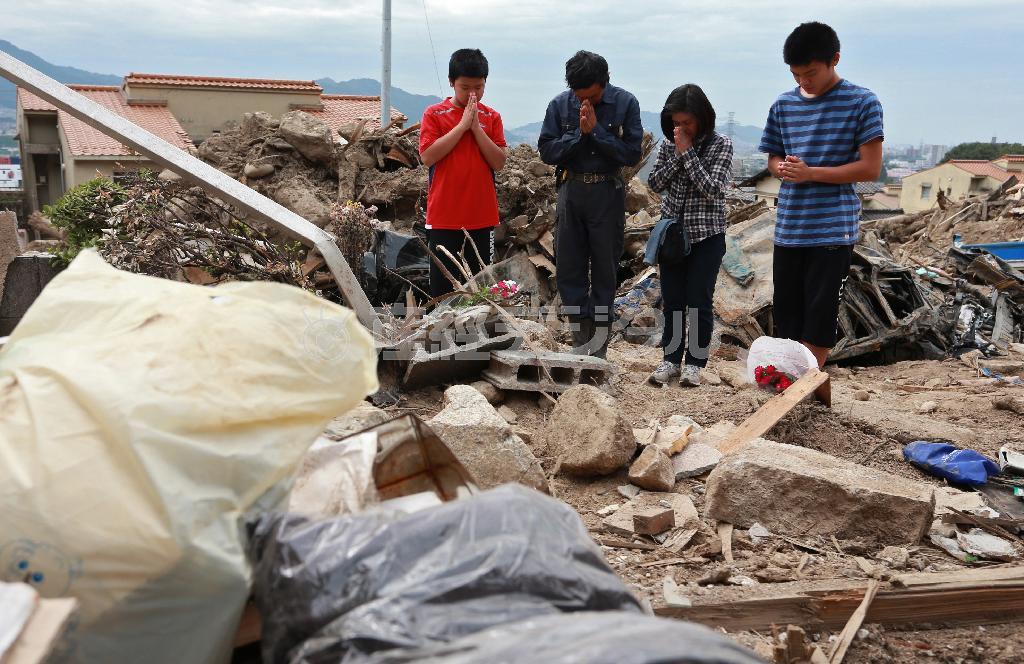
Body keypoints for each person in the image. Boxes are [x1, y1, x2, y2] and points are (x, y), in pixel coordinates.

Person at [758, 22, 883, 404]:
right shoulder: (783, 104)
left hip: (832, 231)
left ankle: (806, 390)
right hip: (790, 227)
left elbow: (870, 168)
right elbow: (774, 155)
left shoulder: (862, 102)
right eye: (796, 74)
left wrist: (812, 173)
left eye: (810, 72)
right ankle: (786, 389)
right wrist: (781, 168)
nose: (804, 81)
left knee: (819, 316)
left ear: (834, 60)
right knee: (788, 315)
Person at [538, 50, 643, 358]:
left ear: (604, 84)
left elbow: (631, 153)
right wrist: (578, 136)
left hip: (607, 194)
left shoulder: (626, 103)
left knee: (604, 271)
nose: (586, 103)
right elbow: (547, 150)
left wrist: (595, 131)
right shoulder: (559, 105)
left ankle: (597, 353)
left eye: (593, 97)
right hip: (571, 191)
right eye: (579, 96)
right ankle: (579, 344)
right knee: (570, 269)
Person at [646, 85, 733, 387]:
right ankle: (670, 359)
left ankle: (694, 363)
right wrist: (678, 154)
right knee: (673, 300)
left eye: (687, 122)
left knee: (699, 300)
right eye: (676, 123)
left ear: (702, 118)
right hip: (673, 236)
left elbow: (712, 189)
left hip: (707, 236)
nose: (680, 128)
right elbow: (655, 183)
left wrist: (688, 154)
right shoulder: (669, 145)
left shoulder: (721, 145)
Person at [420, 48, 508, 298]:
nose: (473, 94)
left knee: (482, 290)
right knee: (443, 289)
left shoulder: (492, 116)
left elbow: (499, 161)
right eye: (465, 87)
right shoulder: (434, 114)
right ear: (451, 82)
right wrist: (461, 126)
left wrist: (477, 128)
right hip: (444, 217)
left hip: (481, 216)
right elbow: (428, 156)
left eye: (479, 87)